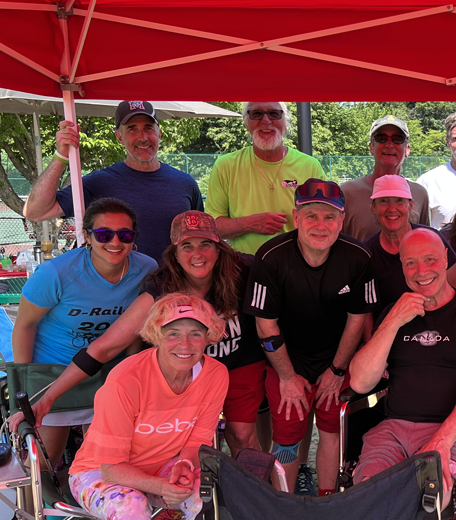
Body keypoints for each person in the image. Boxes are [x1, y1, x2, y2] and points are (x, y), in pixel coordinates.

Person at [11, 211, 266, 459]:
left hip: (240, 363)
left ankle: (257, 499)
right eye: (187, 246)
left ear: (219, 248)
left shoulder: (246, 270)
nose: (197, 254)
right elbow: (105, 348)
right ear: (174, 254)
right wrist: (47, 398)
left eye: (206, 244)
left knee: (242, 435)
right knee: (182, 444)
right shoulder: (162, 288)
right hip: (182, 374)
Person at [66, 294, 230, 520]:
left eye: (195, 334)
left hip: (163, 464)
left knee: (206, 495)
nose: (184, 344)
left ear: (210, 336)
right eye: (173, 333)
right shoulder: (126, 379)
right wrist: (159, 487)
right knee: (131, 510)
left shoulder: (216, 374)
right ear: (155, 333)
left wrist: (185, 468)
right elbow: (110, 467)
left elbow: (199, 439)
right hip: (97, 471)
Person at [5, 197, 156, 520]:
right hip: (54, 370)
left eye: (124, 234)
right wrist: (26, 382)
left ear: (134, 238)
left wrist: (129, 371)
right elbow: (24, 326)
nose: (115, 242)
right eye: (104, 233)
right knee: (42, 458)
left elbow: (137, 329)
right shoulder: (57, 273)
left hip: (107, 371)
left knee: (106, 454)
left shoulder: (146, 269)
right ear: (87, 235)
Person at [349, 229, 456, 501]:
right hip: (393, 430)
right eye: (410, 263)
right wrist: (393, 321)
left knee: (429, 496)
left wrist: (441, 441)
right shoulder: (393, 314)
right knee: (368, 498)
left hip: (452, 430)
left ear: (446, 258)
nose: (421, 271)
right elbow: (360, 382)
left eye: (430, 259)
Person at [245, 179, 377, 497]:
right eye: (312, 215)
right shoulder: (271, 257)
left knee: (331, 430)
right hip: (287, 361)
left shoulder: (358, 257)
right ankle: (285, 505)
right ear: (296, 217)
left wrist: (336, 371)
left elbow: (357, 319)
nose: (321, 225)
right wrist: (287, 377)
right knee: (287, 435)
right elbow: (266, 326)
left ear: (342, 220)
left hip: (335, 359)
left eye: (329, 216)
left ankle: (327, 499)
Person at [23, 101, 202, 263]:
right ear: (119, 136)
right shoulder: (100, 182)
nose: (143, 137)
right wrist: (61, 155)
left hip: (173, 292)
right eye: (132, 128)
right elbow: (35, 211)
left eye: (148, 128)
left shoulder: (184, 183)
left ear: (159, 133)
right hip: (118, 293)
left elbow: (200, 237)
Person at [205, 101, 325, 256]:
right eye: (256, 114)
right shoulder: (226, 166)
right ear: (246, 123)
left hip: (298, 267)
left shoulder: (310, 166)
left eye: (274, 114)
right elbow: (212, 226)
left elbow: (324, 222)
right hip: (244, 268)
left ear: (286, 122)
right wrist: (251, 224)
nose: (266, 121)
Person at [361, 175, 456, 322]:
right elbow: (365, 311)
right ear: (374, 207)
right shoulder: (366, 253)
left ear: (411, 205)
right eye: (383, 201)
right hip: (390, 333)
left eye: (399, 201)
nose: (392, 209)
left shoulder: (432, 238)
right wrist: (372, 341)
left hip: (439, 328)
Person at [341, 116, 431, 240]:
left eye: (398, 139)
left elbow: (425, 241)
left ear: (407, 149)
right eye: (381, 138)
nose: (389, 145)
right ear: (371, 147)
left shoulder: (419, 193)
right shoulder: (347, 193)